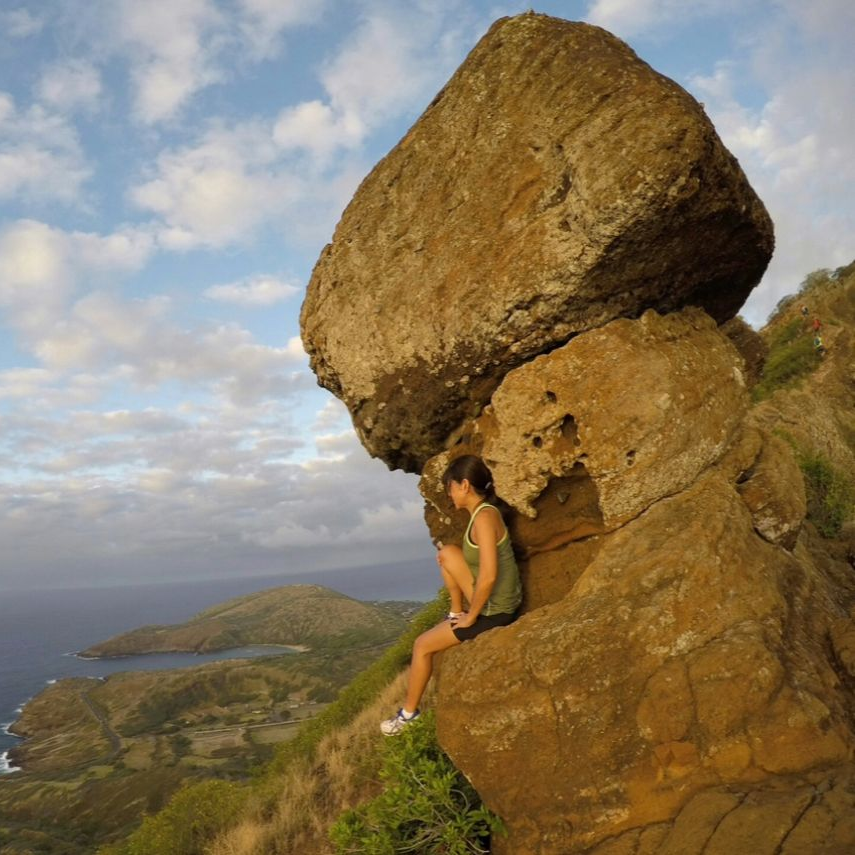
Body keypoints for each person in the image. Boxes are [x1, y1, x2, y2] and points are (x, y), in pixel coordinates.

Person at [380, 455, 522, 735]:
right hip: (497, 599)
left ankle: (408, 716)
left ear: (465, 485)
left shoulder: (483, 519)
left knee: (421, 646)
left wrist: (473, 616)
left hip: (496, 609)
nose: (448, 493)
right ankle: (455, 611)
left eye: (450, 487)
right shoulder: (484, 513)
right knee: (446, 553)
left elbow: (490, 575)